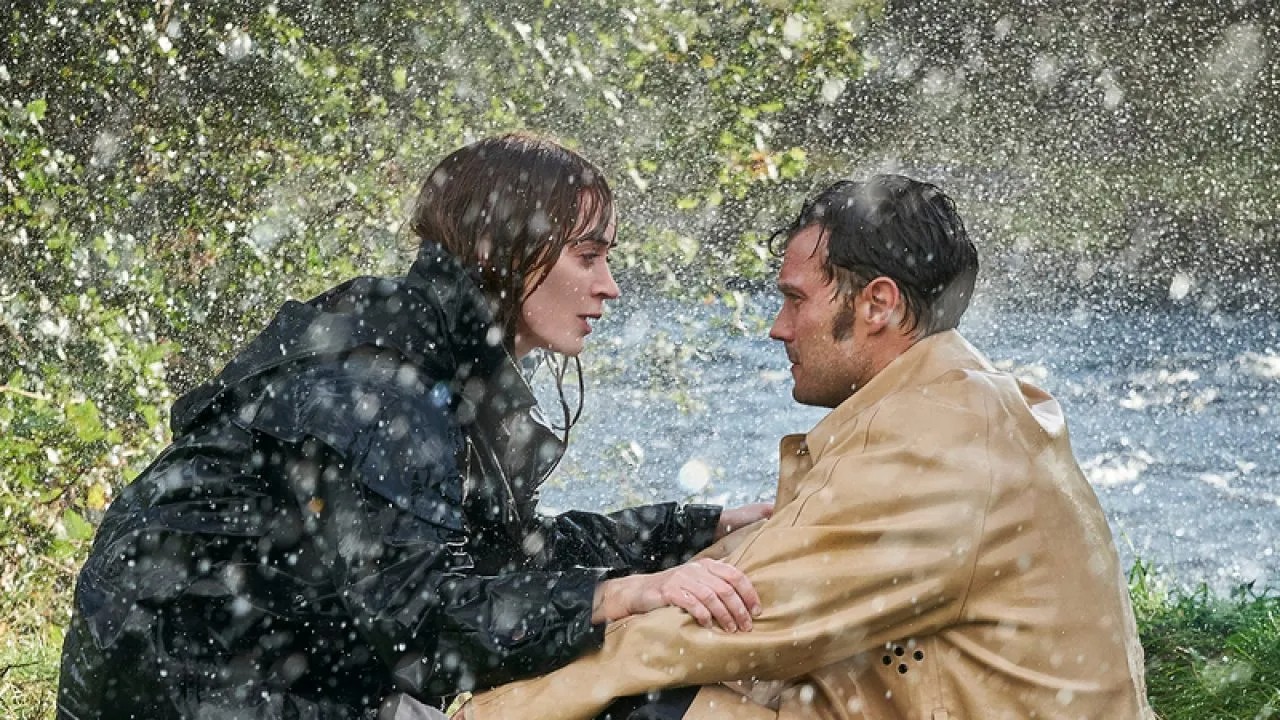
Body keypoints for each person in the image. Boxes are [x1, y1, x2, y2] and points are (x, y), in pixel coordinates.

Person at [56, 133, 771, 720]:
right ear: (499, 247)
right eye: (588, 255)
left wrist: (692, 529)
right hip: (192, 697)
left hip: (259, 685)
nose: (609, 285)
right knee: (637, 706)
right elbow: (420, 625)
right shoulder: (383, 380)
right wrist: (616, 594)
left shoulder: (429, 349)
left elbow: (503, 550)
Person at [454, 175, 1153, 719]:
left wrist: (476, 706)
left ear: (877, 305)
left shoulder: (936, 447)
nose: (777, 329)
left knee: (622, 702)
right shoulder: (961, 405)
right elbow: (753, 578)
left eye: (795, 300)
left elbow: (714, 624)